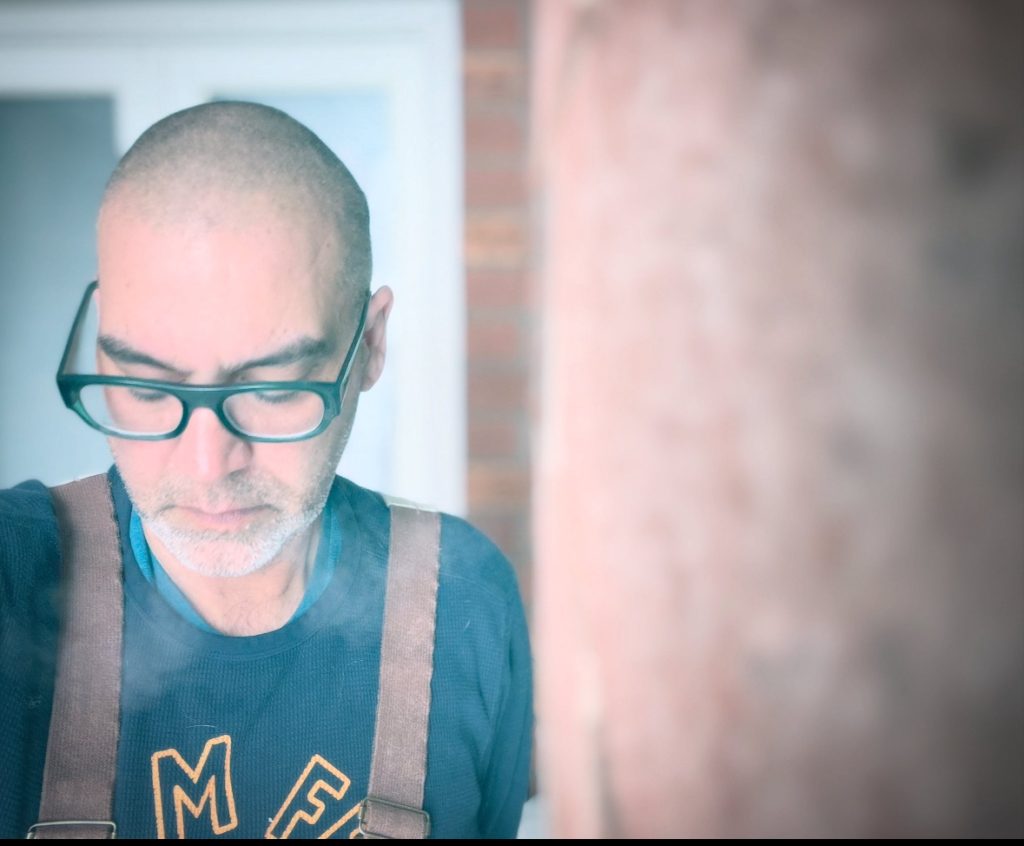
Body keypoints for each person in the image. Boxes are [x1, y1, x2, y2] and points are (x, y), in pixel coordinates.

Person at [0, 101, 532, 839]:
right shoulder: (13, 571)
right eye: (150, 387)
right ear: (100, 354)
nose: (208, 463)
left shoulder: (466, 602)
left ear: (370, 345)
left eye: (274, 389)